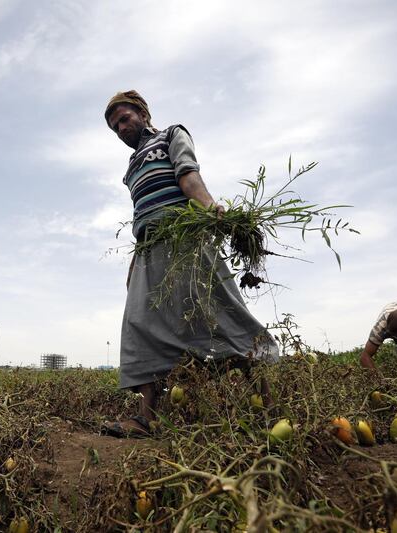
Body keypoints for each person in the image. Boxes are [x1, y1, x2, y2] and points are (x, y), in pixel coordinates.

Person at [102, 90, 279, 437]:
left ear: (141, 113)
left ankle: (270, 408)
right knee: (140, 324)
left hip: (185, 241)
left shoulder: (171, 135)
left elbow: (187, 175)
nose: (121, 129)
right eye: (114, 127)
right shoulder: (131, 167)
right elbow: (142, 214)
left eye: (124, 119)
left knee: (220, 316)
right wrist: (134, 265)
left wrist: (212, 208)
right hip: (149, 250)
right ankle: (145, 419)